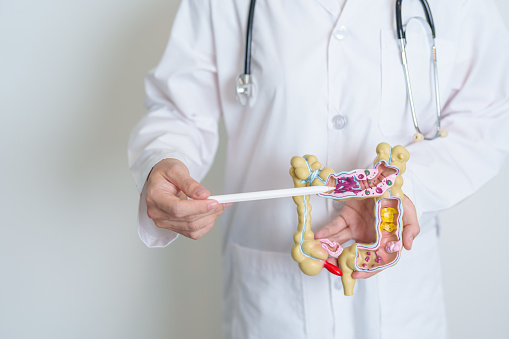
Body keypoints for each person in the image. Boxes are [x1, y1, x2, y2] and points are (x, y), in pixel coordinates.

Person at [128, 0, 509, 338]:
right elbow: (179, 111)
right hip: (274, 301)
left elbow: (485, 119)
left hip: (402, 303)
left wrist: (408, 189)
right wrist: (162, 159)